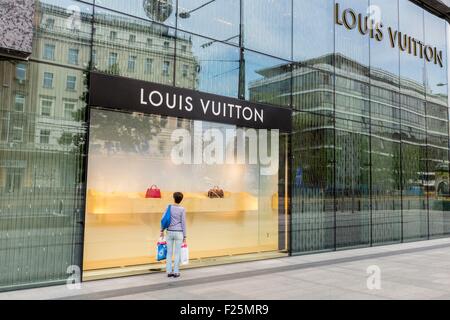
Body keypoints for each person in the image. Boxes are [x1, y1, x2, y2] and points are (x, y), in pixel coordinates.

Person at [160, 192, 186, 278]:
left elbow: (163, 219)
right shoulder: (182, 209)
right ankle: (176, 272)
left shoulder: (168, 207)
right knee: (177, 253)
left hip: (169, 232)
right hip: (179, 232)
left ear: (173, 198)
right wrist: (185, 236)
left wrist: (161, 230)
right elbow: (183, 223)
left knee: (169, 253)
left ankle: (168, 271)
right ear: (181, 199)